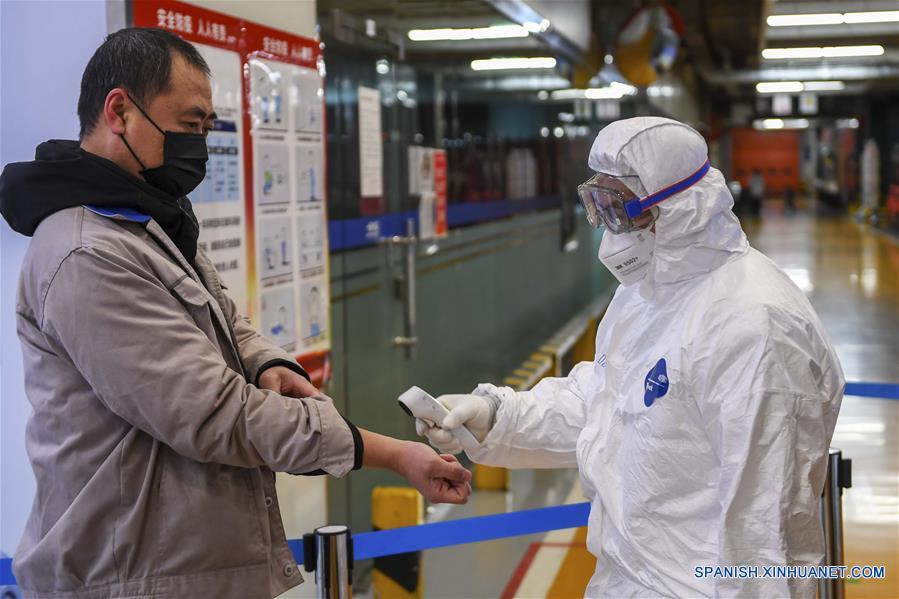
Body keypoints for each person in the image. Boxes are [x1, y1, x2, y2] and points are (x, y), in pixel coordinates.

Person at [0, 28, 470, 599]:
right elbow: (213, 413)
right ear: (119, 111)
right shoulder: (88, 254)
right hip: (132, 575)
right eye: (189, 125)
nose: (198, 144)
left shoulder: (150, 219)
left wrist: (270, 363)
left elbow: (221, 314)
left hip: (183, 564)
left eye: (205, 128)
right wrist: (394, 454)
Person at [415, 117, 844, 597]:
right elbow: (603, 404)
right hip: (625, 578)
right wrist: (495, 416)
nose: (609, 229)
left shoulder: (754, 326)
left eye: (619, 210)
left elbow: (764, 536)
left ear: (680, 208)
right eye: (598, 206)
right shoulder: (645, 295)